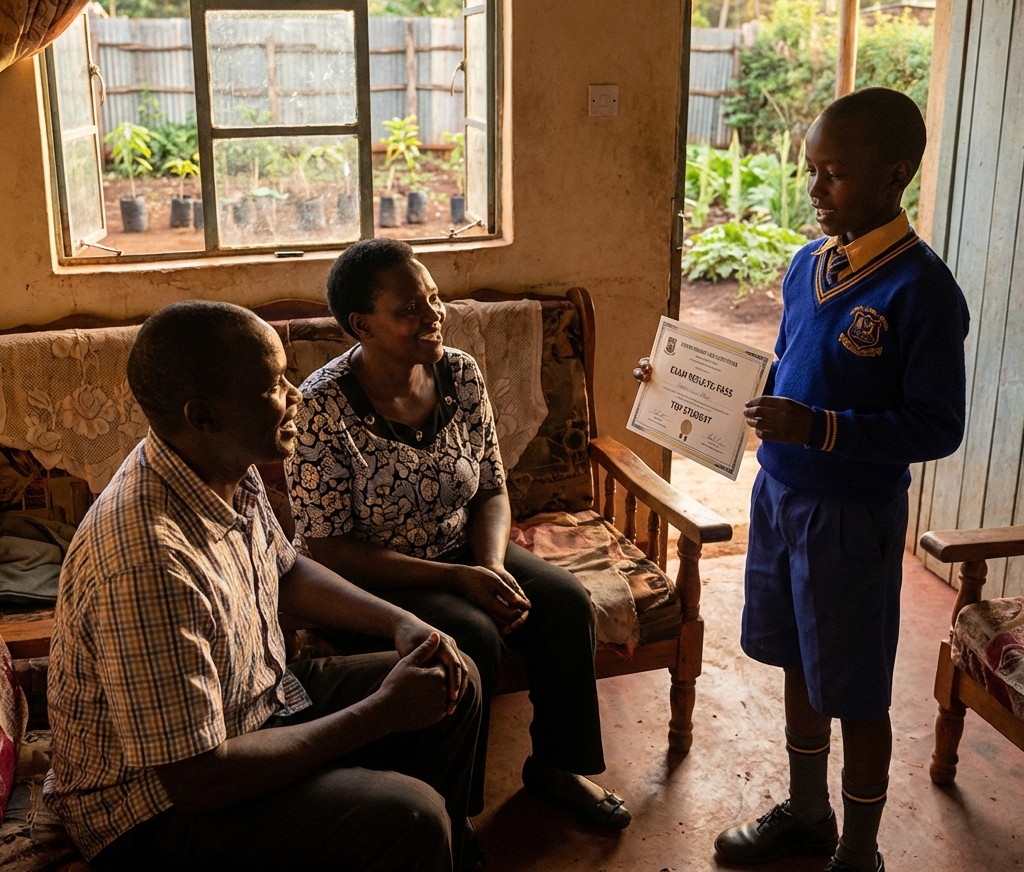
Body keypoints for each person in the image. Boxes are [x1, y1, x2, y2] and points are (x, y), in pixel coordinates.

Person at [45, 301, 482, 872]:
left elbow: (286, 572)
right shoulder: (147, 560)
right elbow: (198, 779)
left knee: (453, 676)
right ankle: (423, 842)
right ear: (202, 414)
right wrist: (380, 711)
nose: (297, 393)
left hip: (253, 707)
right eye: (273, 385)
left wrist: (401, 622)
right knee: (410, 814)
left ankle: (450, 852)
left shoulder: (222, 460)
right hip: (153, 814)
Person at [287, 239, 630, 831]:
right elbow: (329, 549)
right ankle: (453, 809)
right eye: (410, 310)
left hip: (464, 549)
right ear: (360, 325)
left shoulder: (460, 373)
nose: (432, 316)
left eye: (434, 298)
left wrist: (492, 566)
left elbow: (492, 489)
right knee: (471, 634)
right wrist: (459, 579)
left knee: (566, 603)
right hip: (374, 572)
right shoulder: (320, 407)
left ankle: (557, 765)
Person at [711, 87, 969, 872]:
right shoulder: (806, 265)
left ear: (896, 174)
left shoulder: (921, 290)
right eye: (811, 170)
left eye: (834, 174)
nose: (815, 190)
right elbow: (784, 372)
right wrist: (687, 389)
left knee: (853, 687)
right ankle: (808, 810)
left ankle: (860, 852)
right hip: (779, 498)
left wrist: (819, 429)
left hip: (851, 516)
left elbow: (938, 427)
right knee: (798, 660)